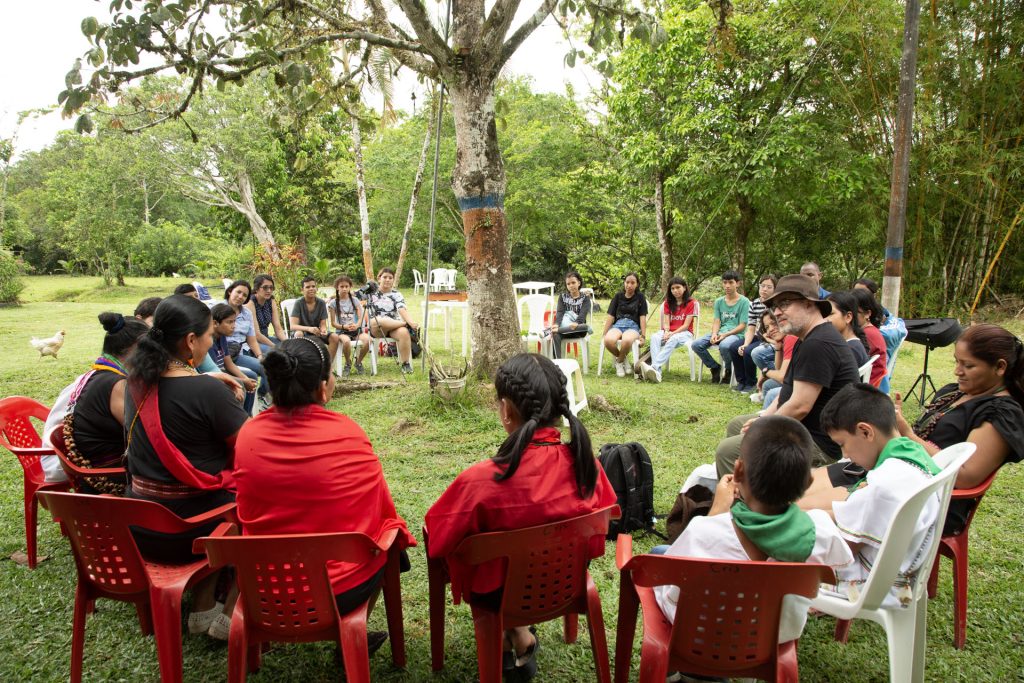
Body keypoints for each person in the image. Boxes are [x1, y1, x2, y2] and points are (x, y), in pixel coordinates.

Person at [425, 353, 617, 681]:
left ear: (506, 409)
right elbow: (606, 522)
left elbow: (438, 538)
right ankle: (518, 633)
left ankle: (505, 634)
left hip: (495, 595)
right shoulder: (588, 467)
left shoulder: (482, 481)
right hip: (564, 583)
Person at [233, 337, 415, 654]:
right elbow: (379, 512)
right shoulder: (348, 431)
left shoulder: (248, 433)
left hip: (263, 588)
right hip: (340, 590)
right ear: (323, 387)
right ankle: (350, 646)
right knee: (392, 545)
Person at [808, 324, 1024, 537]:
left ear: (1000, 367)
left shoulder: (1001, 413)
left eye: (968, 365)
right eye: (957, 362)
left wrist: (909, 435)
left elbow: (965, 476)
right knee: (798, 488)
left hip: (919, 498)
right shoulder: (957, 392)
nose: (958, 371)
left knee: (799, 507)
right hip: (890, 471)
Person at [655, 416, 852, 642]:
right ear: (808, 482)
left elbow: (673, 593)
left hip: (704, 635)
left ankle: (676, 669)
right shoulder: (822, 532)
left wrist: (716, 512)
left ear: (737, 471)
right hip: (773, 637)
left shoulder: (704, 531)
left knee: (658, 555)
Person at [123, 294, 248, 638]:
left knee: (210, 498)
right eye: (209, 335)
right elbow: (252, 453)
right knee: (256, 500)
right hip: (189, 532)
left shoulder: (135, 383)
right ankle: (231, 611)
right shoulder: (208, 393)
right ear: (191, 340)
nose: (212, 342)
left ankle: (202, 605)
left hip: (140, 529)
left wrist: (204, 381)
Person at [810, 384, 944, 606]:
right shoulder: (911, 453)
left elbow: (844, 548)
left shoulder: (886, 484)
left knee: (778, 554)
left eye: (843, 444)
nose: (846, 455)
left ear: (865, 431)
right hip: (903, 572)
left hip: (873, 583)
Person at [714, 274, 859, 477]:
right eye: (775, 307)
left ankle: (750, 505)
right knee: (737, 425)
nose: (777, 312)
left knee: (728, 452)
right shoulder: (805, 339)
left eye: (785, 304)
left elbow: (800, 406)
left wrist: (763, 425)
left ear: (809, 304)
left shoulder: (819, 344)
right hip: (799, 428)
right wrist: (763, 416)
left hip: (816, 443)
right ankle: (754, 484)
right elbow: (786, 393)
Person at [42, 312, 150, 493]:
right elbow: (147, 434)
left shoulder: (99, 375)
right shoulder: (116, 385)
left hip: (94, 478)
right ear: (138, 347)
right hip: (110, 486)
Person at [689, 270, 750, 385]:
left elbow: (742, 325)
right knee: (696, 344)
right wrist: (714, 334)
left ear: (738, 284)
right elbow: (717, 321)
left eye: (731, 282)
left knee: (725, 345)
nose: (727, 286)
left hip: (736, 335)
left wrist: (725, 335)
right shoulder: (719, 301)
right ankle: (715, 367)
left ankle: (728, 370)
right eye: (725, 282)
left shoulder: (744, 302)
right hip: (720, 333)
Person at [636, 276, 697, 383]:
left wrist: (672, 333)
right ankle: (657, 372)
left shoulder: (691, 303)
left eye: (678, 287)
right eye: (672, 288)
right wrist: (667, 331)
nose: (675, 291)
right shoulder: (668, 302)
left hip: (685, 333)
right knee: (655, 337)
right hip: (669, 331)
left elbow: (686, 325)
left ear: (684, 288)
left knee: (673, 338)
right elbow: (666, 322)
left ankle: (654, 367)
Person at [365, 267, 420, 374]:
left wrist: (411, 321)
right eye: (385, 277)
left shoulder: (396, 294)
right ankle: (405, 324)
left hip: (393, 326)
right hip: (376, 327)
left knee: (404, 332)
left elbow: (401, 309)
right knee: (379, 320)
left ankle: (405, 364)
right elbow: (352, 295)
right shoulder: (370, 292)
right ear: (379, 278)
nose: (387, 280)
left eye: (390, 278)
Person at [224, 279, 270, 406]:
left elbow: (251, 339)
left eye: (244, 295)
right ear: (229, 291)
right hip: (222, 353)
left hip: (237, 354)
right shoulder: (218, 309)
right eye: (238, 292)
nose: (240, 297)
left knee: (266, 366)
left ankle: (261, 398)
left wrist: (260, 356)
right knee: (251, 376)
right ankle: (246, 413)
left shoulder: (246, 313)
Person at [206, 303, 259, 414]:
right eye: (230, 322)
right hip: (213, 377)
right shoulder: (208, 341)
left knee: (251, 378)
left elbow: (229, 363)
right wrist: (242, 382)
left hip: (222, 372)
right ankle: (240, 418)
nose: (234, 325)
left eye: (234, 321)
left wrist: (246, 379)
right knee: (242, 385)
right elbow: (214, 372)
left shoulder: (222, 337)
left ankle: (247, 414)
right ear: (215, 323)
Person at [736, 274, 778, 393]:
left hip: (769, 337)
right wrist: (745, 343)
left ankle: (751, 382)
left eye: (769, 287)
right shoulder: (754, 303)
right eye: (762, 286)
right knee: (735, 347)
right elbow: (751, 327)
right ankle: (741, 381)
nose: (764, 289)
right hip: (757, 335)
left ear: (775, 289)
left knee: (749, 352)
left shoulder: (776, 304)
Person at [602, 272, 648, 377]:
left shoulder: (640, 297)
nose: (629, 285)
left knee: (626, 341)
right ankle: (624, 359)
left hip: (633, 326)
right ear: (624, 283)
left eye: (633, 283)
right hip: (618, 325)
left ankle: (618, 362)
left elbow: (642, 317)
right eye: (627, 282)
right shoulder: (618, 296)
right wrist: (604, 334)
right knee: (608, 341)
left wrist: (643, 336)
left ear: (637, 284)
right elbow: (611, 316)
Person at [290, 275, 341, 363]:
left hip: (317, 332)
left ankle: (327, 366)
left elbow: (322, 324)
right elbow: (293, 326)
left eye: (313, 286)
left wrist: (323, 330)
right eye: (308, 287)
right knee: (298, 333)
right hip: (303, 332)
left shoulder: (321, 303)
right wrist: (309, 328)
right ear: (302, 290)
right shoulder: (298, 303)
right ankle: (303, 364)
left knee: (334, 337)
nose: (311, 289)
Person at [329, 275, 371, 375]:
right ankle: (348, 363)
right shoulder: (333, 303)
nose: (344, 289)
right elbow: (333, 323)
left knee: (368, 340)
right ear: (337, 287)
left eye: (346, 286)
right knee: (346, 342)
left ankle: (358, 362)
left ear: (350, 287)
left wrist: (357, 325)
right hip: (342, 331)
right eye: (342, 286)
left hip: (356, 331)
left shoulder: (355, 300)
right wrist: (344, 327)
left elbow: (360, 318)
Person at [550, 270, 592, 359]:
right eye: (568, 284)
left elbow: (583, 315)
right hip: (564, 329)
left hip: (578, 329)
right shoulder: (562, 297)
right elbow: (560, 313)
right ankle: (558, 363)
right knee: (555, 335)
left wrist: (576, 322)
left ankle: (557, 330)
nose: (571, 285)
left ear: (579, 283)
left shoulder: (585, 298)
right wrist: (556, 324)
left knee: (585, 327)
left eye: (573, 282)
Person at [851, 288, 888, 386]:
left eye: (855, 312)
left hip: (864, 389)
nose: (849, 316)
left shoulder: (868, 334)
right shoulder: (868, 330)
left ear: (867, 313)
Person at [826, 291, 870, 367]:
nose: (824, 319)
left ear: (848, 317)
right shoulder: (851, 346)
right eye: (823, 314)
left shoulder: (850, 350)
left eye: (830, 314)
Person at [245, 273, 286, 353]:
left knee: (290, 348)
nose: (269, 291)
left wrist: (288, 343)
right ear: (256, 289)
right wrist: (275, 347)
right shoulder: (250, 303)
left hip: (266, 338)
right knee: (278, 353)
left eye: (271, 288)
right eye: (265, 287)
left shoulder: (271, 300)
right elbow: (256, 334)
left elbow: (278, 328)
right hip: (253, 342)